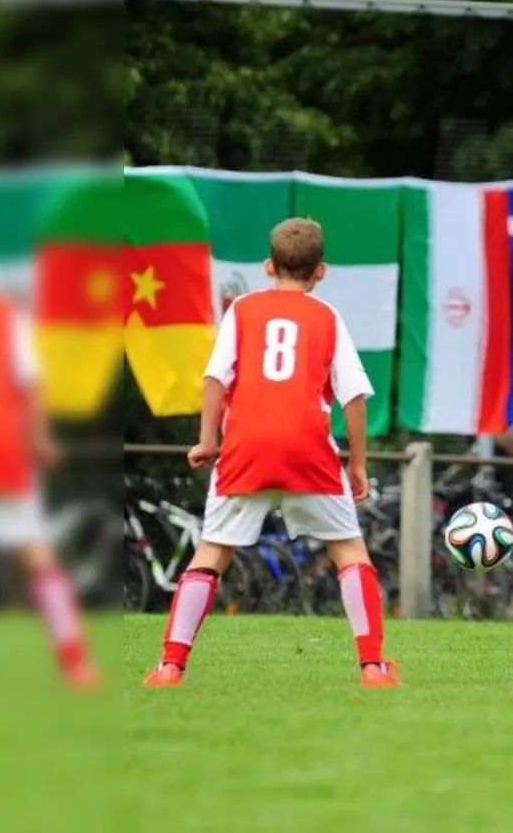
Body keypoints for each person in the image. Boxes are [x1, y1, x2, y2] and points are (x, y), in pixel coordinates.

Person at [143, 218, 396, 689]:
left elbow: (215, 379)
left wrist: (206, 441)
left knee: (212, 552)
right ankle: (374, 668)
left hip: (246, 449)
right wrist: (358, 464)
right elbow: (355, 396)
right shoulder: (327, 317)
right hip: (308, 451)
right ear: (321, 271)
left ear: (267, 266)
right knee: (348, 551)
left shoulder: (242, 310)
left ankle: (170, 667)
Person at [0, 289, 98, 689]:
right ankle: (75, 663)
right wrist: (39, 441)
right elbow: (31, 384)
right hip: (1, 448)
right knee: (36, 554)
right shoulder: (5, 317)